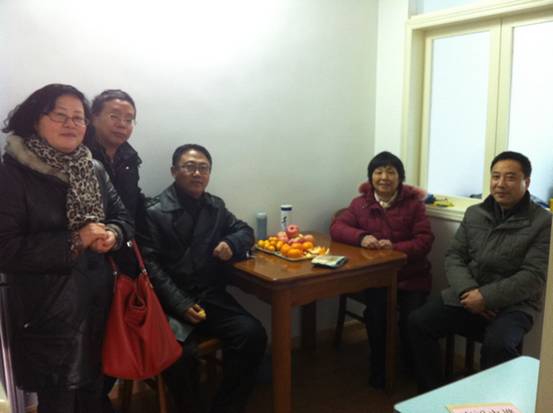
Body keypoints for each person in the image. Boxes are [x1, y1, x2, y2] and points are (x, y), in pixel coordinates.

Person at [0, 84, 133, 413]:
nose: (71, 124)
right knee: (58, 403)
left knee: (94, 396)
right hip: (48, 316)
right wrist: (76, 240)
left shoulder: (93, 168)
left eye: (78, 117)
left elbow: (122, 217)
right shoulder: (12, 174)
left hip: (98, 308)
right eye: (60, 115)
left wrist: (113, 234)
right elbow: (6, 249)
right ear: (36, 120)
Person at [408, 151, 551, 393]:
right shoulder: (475, 213)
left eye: (510, 177)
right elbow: (454, 256)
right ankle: (432, 393)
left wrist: (486, 298)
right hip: (468, 295)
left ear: (526, 182)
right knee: (418, 322)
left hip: (515, 305)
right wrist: (470, 291)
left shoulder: (543, 221)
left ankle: (488, 402)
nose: (500, 184)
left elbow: (533, 276)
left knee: (499, 345)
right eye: (496, 176)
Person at [139, 144, 267, 413]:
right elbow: (150, 266)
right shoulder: (153, 211)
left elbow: (245, 231)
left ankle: (226, 407)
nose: (197, 173)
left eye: (203, 168)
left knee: (251, 334)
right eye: (190, 167)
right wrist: (181, 304)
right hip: (169, 304)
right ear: (174, 171)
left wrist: (231, 243)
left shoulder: (214, 206)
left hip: (209, 297)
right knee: (179, 356)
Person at [330, 151, 434, 388]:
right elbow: (337, 227)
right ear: (371, 177)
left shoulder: (414, 206)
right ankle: (379, 367)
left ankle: (411, 367)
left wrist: (395, 248)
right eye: (378, 172)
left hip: (411, 277)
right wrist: (362, 237)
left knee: (413, 319)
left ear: (400, 177)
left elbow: (425, 241)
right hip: (376, 278)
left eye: (390, 172)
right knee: (376, 316)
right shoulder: (360, 203)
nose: (384, 177)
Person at [86, 89, 145, 412]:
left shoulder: (128, 159)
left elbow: (130, 208)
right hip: (87, 264)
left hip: (120, 261)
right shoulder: (78, 155)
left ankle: (99, 400)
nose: (123, 124)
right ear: (93, 117)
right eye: (114, 116)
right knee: (89, 347)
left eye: (129, 119)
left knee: (114, 339)